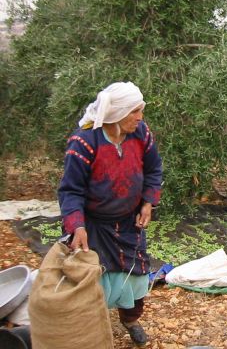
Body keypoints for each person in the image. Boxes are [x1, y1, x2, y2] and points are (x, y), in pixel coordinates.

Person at [58, 81, 163, 346]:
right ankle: (91, 330)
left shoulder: (141, 133)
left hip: (130, 224)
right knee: (92, 282)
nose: (140, 117)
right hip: (93, 227)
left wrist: (148, 203)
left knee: (136, 278)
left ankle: (129, 320)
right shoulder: (83, 142)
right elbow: (70, 190)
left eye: (141, 110)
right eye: (134, 111)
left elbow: (153, 170)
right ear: (115, 113)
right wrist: (76, 227)